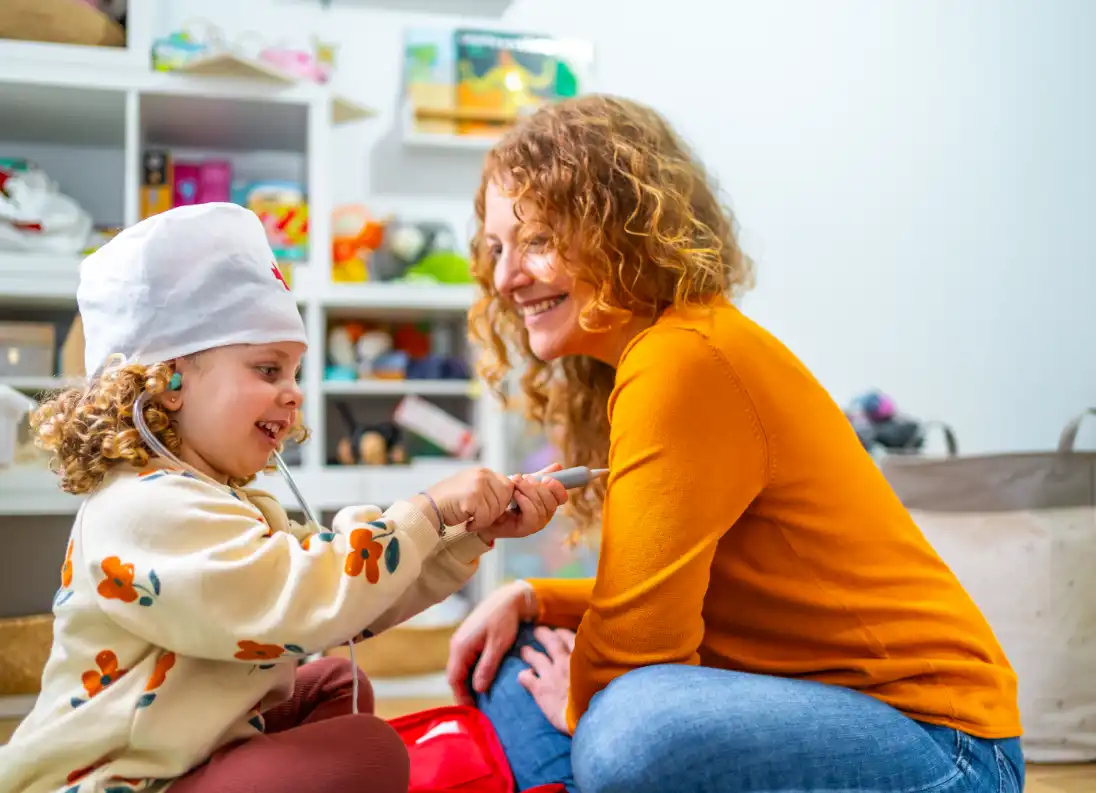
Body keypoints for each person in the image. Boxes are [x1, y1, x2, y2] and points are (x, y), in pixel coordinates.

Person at [447, 94, 1024, 793]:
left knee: (627, 728)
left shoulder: (683, 359)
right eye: (497, 249)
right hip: (817, 708)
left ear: (617, 226)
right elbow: (674, 597)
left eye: (536, 239)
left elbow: (639, 651)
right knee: (513, 649)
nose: (505, 278)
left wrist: (581, 700)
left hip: (944, 746)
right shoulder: (660, 356)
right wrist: (534, 598)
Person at [0, 203, 568, 793]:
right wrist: (428, 511)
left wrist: (466, 532)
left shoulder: (223, 502)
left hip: (187, 749)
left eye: (295, 374)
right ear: (167, 382)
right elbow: (306, 600)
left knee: (334, 684)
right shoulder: (143, 511)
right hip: (124, 780)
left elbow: (349, 600)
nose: (293, 394)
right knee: (369, 751)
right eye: (269, 370)